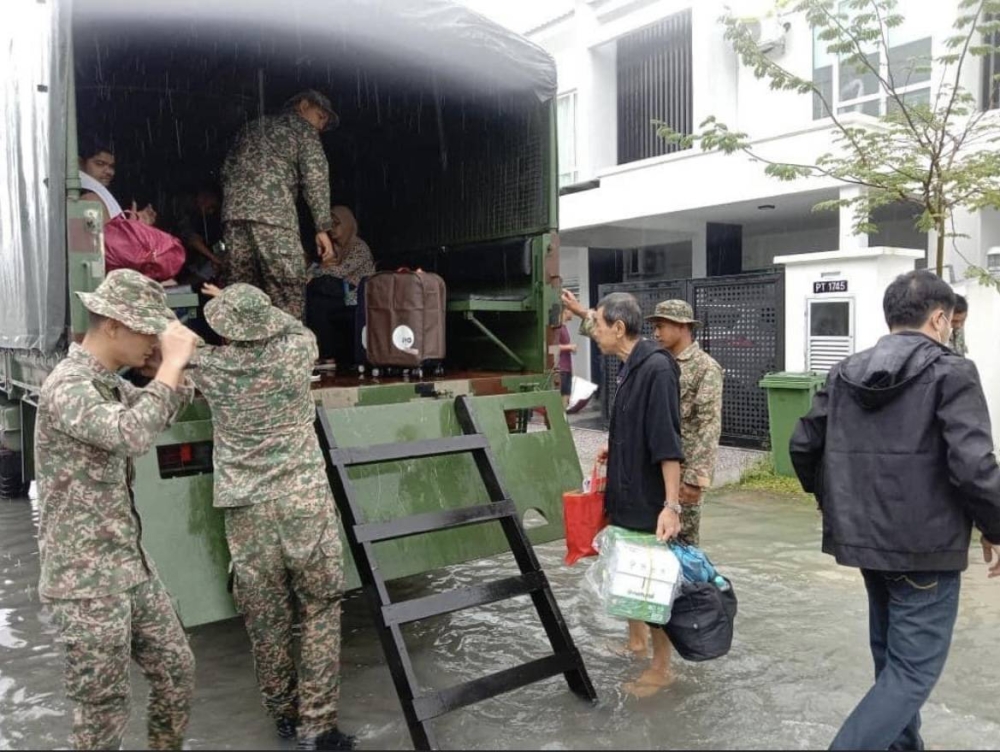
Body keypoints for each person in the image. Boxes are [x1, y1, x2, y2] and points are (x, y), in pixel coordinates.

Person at [790, 270, 1000, 751]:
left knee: (891, 663)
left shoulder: (845, 370)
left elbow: (803, 445)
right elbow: (973, 465)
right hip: (925, 549)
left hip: (865, 543)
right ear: (940, 318)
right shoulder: (952, 371)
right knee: (910, 673)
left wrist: (833, 501)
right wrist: (996, 527)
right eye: (950, 321)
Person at [34, 269, 200, 750]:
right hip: (85, 581)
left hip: (129, 567)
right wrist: (166, 371)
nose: (154, 342)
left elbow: (159, 409)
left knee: (176, 672)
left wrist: (171, 373)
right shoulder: (69, 387)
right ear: (111, 326)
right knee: (103, 710)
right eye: (147, 332)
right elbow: (131, 435)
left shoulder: (107, 383)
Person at [190, 283, 353, 751]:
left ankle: (283, 716)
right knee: (321, 609)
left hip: (247, 512)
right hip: (304, 504)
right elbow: (295, 326)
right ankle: (318, 728)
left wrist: (226, 310)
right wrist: (253, 308)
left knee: (267, 620)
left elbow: (173, 342)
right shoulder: (298, 351)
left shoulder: (209, 366)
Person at [588, 292, 684, 698]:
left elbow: (667, 443)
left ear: (619, 328)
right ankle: (636, 643)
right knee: (629, 573)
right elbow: (638, 427)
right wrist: (619, 445)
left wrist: (671, 506)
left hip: (649, 500)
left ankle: (662, 668)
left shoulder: (657, 369)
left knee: (652, 582)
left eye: (597, 326)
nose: (593, 334)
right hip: (626, 493)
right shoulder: (629, 367)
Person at [221, 90, 339, 320]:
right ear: (304, 105)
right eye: (321, 116)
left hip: (234, 217)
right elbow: (315, 178)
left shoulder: (252, 127)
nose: (321, 126)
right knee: (287, 290)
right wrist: (322, 228)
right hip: (274, 218)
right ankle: (290, 353)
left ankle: (244, 351)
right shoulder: (303, 130)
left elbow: (226, 171)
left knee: (243, 292)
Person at [306, 205, 376, 364]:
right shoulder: (333, 248)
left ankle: (327, 354)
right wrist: (319, 270)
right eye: (330, 225)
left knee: (320, 287)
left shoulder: (359, 248)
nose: (332, 229)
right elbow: (317, 271)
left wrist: (319, 270)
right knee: (316, 299)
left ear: (347, 224)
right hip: (336, 295)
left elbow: (339, 271)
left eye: (336, 224)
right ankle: (324, 354)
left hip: (356, 296)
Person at [78, 137, 156, 226]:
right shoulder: (89, 200)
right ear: (80, 163)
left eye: (112, 166)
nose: (109, 172)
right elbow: (102, 239)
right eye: (100, 164)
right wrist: (132, 227)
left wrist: (134, 225)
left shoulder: (97, 196)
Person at [557, 306, 577, 409]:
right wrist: (569, 347)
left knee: (566, 397)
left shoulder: (564, 327)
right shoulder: (557, 327)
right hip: (561, 369)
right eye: (572, 311)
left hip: (567, 368)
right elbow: (551, 348)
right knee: (562, 397)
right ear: (565, 311)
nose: (573, 313)